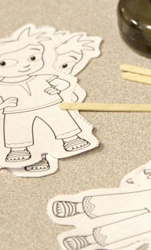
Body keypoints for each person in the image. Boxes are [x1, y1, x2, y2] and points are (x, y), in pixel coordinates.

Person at [0, 26, 89, 164]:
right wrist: (4, 104)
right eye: (4, 63)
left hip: (48, 103)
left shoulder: (41, 77)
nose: (24, 66)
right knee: (16, 128)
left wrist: (57, 89)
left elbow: (64, 83)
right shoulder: (3, 86)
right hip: (16, 111)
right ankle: (19, 149)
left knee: (60, 119)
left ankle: (71, 138)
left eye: (32, 58)